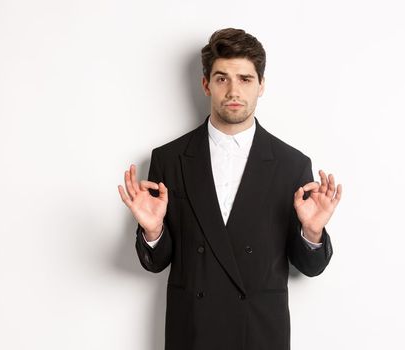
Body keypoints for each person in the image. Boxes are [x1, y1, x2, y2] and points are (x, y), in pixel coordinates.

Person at [117, 28, 342, 350]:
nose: (234, 90)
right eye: (222, 78)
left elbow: (309, 267)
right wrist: (152, 231)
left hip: (260, 330)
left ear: (261, 85)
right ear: (206, 84)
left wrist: (312, 233)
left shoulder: (292, 164)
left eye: (245, 79)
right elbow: (156, 262)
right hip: (192, 328)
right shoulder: (168, 159)